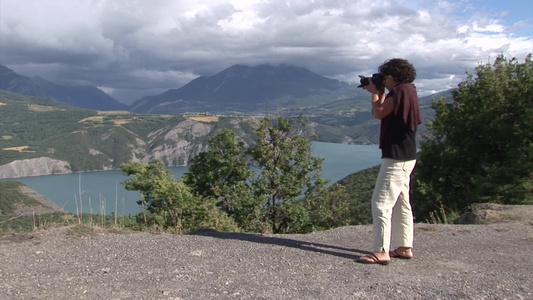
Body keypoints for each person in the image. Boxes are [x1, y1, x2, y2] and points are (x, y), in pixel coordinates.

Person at [357, 58, 421, 265]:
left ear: (392, 77)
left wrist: (376, 92)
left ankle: (381, 251)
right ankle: (404, 246)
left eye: (385, 77)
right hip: (407, 155)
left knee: (381, 202)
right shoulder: (409, 90)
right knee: (402, 202)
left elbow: (379, 112)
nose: (384, 80)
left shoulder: (399, 91)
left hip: (396, 156)